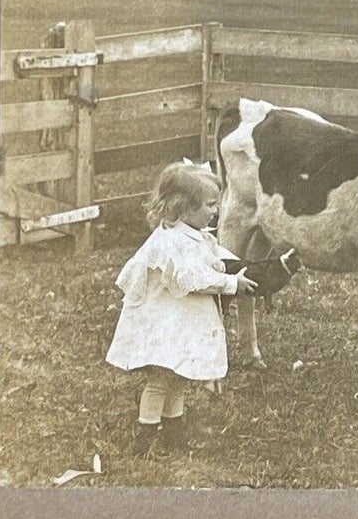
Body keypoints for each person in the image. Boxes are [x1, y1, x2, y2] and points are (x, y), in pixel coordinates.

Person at [106, 162, 256, 454]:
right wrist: (229, 284)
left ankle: (173, 432)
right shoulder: (169, 242)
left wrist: (230, 268)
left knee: (179, 376)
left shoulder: (192, 235)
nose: (217, 210)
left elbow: (210, 259)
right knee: (161, 378)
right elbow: (191, 278)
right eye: (211, 204)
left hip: (182, 320)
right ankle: (145, 437)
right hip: (166, 323)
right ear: (184, 207)